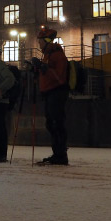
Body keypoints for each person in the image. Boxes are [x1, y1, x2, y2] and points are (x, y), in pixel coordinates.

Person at [30, 27, 69, 165]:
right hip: (49, 92)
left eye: (40, 41)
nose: (38, 44)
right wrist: (37, 70)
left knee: (56, 123)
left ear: (46, 41)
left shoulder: (57, 54)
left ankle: (61, 155)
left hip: (57, 92)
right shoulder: (47, 54)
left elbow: (59, 77)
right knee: (50, 123)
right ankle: (57, 153)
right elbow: (46, 74)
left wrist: (43, 67)